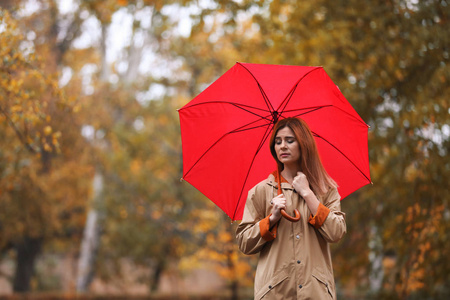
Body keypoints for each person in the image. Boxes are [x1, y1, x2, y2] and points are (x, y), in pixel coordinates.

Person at [236, 117, 346, 299]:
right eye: (278, 142)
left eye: (289, 140)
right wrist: (271, 219)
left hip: (316, 293)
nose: (282, 146)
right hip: (275, 294)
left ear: (303, 143)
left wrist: (308, 194)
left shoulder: (325, 189)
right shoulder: (261, 191)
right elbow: (244, 243)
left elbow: (336, 232)